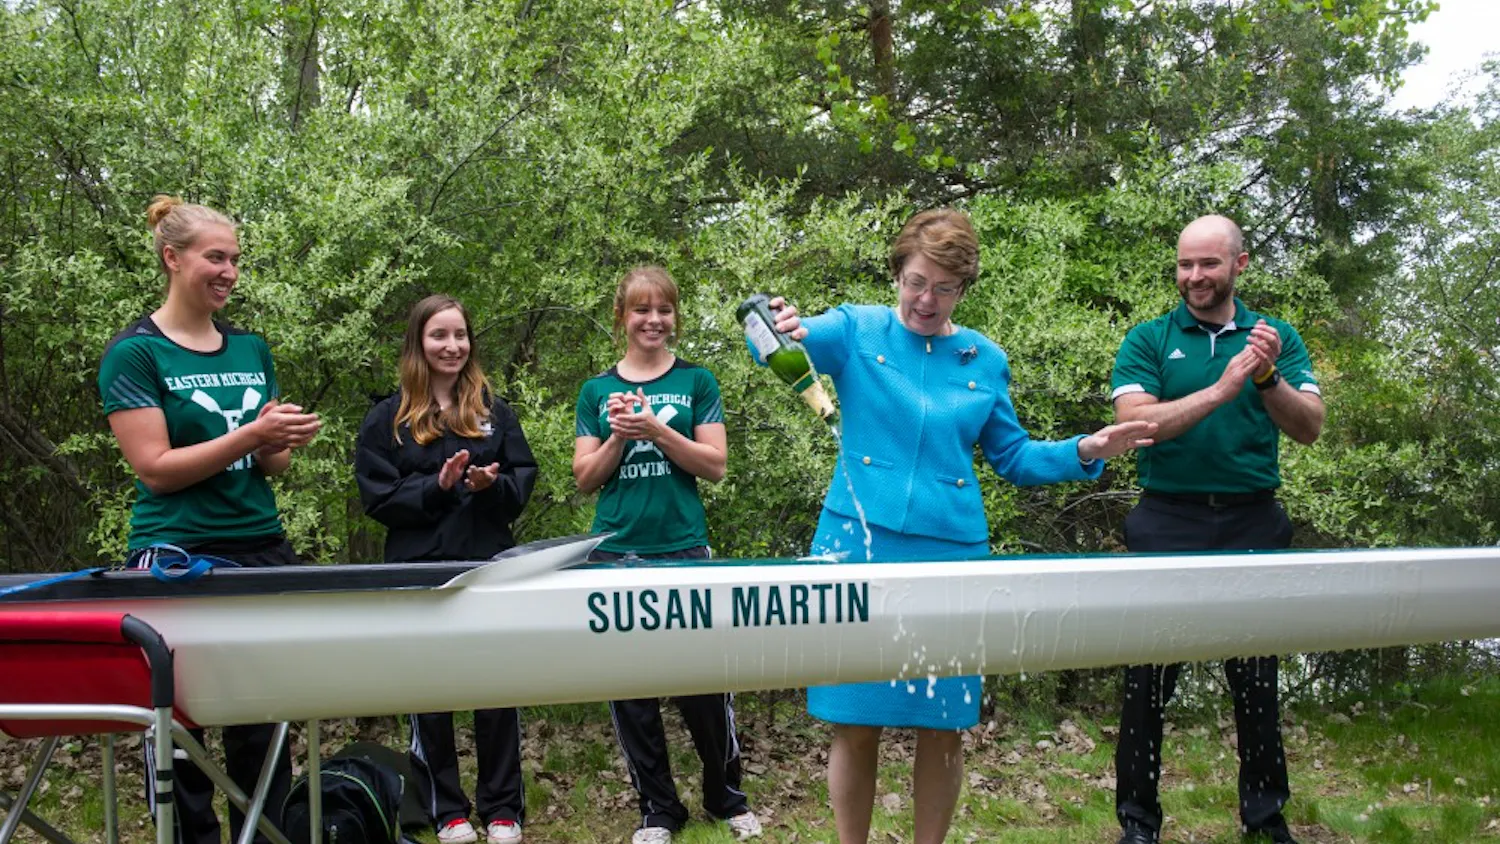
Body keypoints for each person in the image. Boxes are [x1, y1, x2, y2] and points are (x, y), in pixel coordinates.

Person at [765, 208, 1156, 844]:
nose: (927, 299)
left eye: (944, 287)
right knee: (853, 720)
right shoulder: (855, 329)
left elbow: (1014, 457)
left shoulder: (985, 358)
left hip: (952, 556)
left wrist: (1085, 449)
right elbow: (796, 340)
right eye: (917, 281)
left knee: (943, 725)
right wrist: (784, 327)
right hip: (856, 547)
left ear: (964, 288)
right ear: (897, 274)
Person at [99, 195, 322, 844]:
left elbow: (269, 464)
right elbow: (156, 467)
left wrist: (280, 439)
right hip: (177, 556)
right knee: (181, 724)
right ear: (172, 259)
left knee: (264, 720)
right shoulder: (134, 355)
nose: (229, 271)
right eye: (215, 257)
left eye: (235, 260)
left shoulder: (251, 347)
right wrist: (253, 433)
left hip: (262, 549)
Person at [1108, 214, 1325, 844]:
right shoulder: (1149, 339)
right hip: (1165, 517)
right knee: (1147, 679)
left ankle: (1265, 820)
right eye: (1185, 264)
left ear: (1239, 264)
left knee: (1257, 679)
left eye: (1208, 263)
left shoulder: (1274, 338)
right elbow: (1137, 425)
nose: (1194, 276)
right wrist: (1226, 387)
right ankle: (1139, 825)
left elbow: (1309, 426)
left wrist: (1264, 376)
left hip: (1253, 516)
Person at [572, 266, 763, 844]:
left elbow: (715, 465)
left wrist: (657, 430)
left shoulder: (698, 381)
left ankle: (727, 799)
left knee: (706, 682)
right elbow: (584, 480)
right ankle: (659, 811)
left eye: (664, 310)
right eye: (641, 310)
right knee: (631, 690)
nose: (654, 320)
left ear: (675, 317)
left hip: (685, 548)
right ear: (621, 318)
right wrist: (617, 438)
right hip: (614, 553)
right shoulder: (596, 391)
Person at [354, 294, 539, 844]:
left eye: (460, 335)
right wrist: (434, 488)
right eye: (440, 336)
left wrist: (490, 487)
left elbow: (522, 483)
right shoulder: (386, 419)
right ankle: (445, 811)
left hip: (488, 569)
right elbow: (378, 499)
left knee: (496, 689)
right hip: (418, 575)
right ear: (419, 342)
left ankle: (503, 809)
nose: (452, 346)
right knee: (429, 694)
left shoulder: (493, 412)